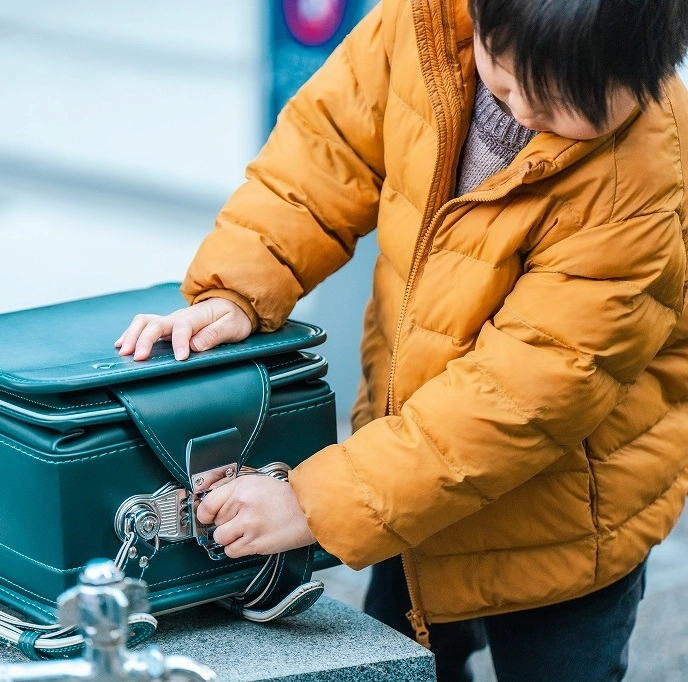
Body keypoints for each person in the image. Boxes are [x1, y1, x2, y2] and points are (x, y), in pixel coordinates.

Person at [116, 0, 688, 679]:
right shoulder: (423, 25)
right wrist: (239, 285)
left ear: (648, 72)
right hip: (408, 491)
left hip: (564, 524)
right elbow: (323, 156)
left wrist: (318, 500)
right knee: (401, 663)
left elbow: (526, 397)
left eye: (566, 104)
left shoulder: (641, 181)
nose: (527, 114)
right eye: (503, 83)